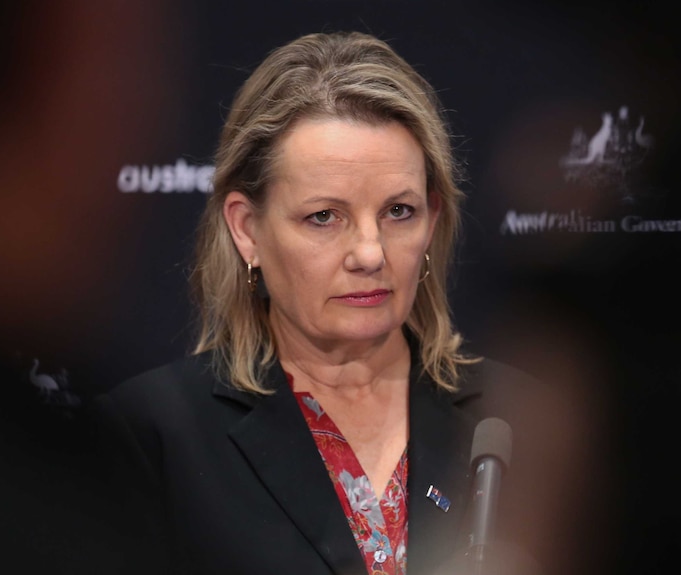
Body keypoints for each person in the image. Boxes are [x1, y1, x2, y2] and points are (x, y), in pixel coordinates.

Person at [93, 31, 584, 575]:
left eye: (399, 211)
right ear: (247, 229)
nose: (370, 253)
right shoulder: (151, 435)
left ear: (433, 220)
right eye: (324, 216)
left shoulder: (520, 420)